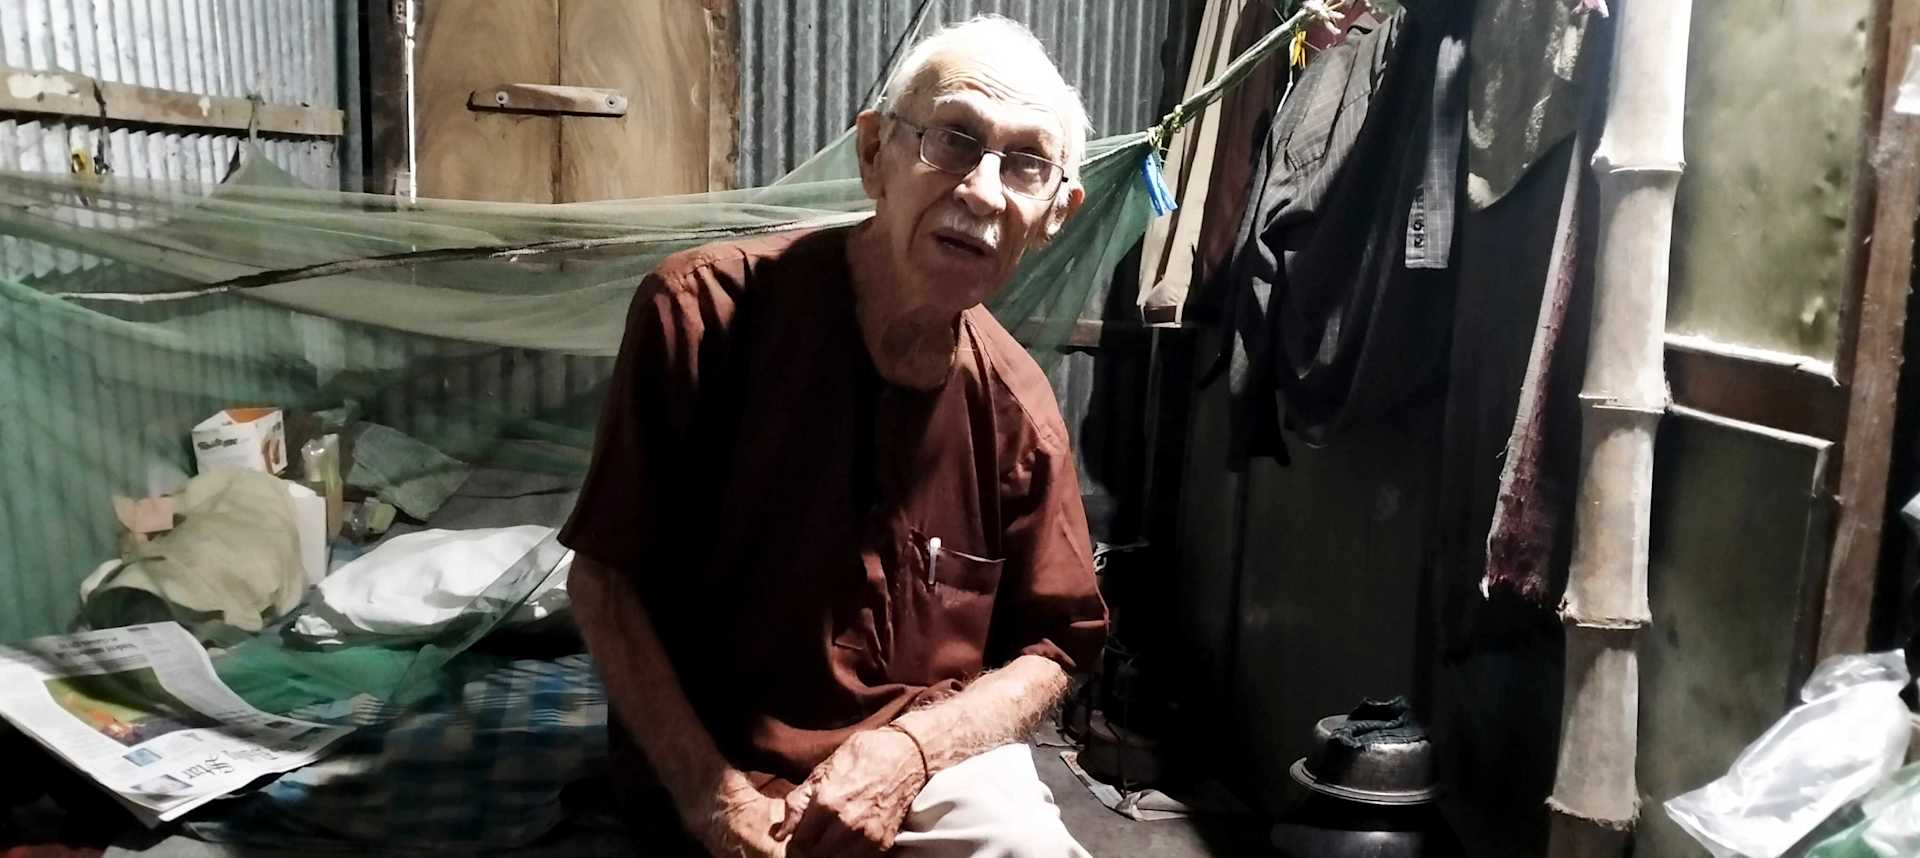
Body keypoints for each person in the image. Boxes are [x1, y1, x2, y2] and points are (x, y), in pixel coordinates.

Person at [559, 14, 1109, 858]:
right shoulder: (703, 317)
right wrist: (710, 798)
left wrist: (914, 750)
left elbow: (1058, 644)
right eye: (954, 139)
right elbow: (602, 578)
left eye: (1026, 162)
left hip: (921, 769)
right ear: (872, 155)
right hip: (715, 767)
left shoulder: (1020, 413)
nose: (983, 191)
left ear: (1055, 214)